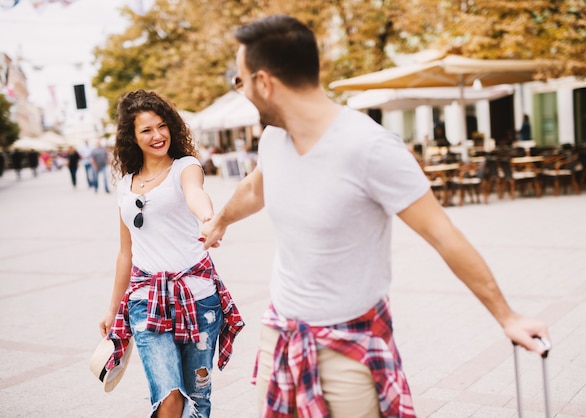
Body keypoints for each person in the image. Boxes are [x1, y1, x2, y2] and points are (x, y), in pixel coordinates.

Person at [199, 14, 550, 418]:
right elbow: (255, 189)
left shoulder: (370, 147)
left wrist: (507, 317)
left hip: (350, 344)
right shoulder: (275, 138)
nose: (240, 91)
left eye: (239, 81)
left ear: (264, 83)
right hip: (280, 332)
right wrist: (221, 220)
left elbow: (443, 234)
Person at [99, 89, 244, 418]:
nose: (157, 135)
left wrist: (208, 219)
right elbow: (126, 253)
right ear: (132, 137)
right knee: (169, 398)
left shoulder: (185, 167)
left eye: (162, 126)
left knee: (198, 397)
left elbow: (196, 193)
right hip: (146, 302)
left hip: (199, 298)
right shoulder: (125, 185)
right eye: (146, 130)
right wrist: (112, 309)